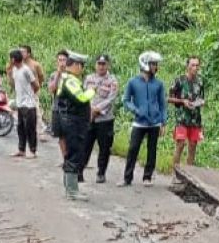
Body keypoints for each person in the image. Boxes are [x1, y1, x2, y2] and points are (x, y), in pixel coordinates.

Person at [54, 51, 96, 200]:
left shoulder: (68, 79)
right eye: (81, 65)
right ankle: (72, 191)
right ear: (76, 65)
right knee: (74, 155)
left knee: (72, 154)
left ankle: (70, 188)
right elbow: (82, 98)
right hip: (72, 123)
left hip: (70, 122)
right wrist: (92, 90)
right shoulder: (70, 80)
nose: (82, 68)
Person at [122, 51, 167, 187]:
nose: (155, 67)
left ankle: (147, 177)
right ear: (146, 64)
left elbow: (162, 104)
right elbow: (126, 100)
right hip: (139, 122)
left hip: (154, 122)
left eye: (156, 64)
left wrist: (163, 121)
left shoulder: (158, 84)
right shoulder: (133, 82)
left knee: (152, 150)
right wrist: (136, 110)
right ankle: (127, 178)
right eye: (153, 64)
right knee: (133, 149)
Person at [80, 54, 119, 183]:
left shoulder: (112, 80)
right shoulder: (89, 78)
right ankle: (79, 171)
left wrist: (97, 109)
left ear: (108, 65)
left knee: (104, 148)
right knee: (85, 145)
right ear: (95, 65)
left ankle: (101, 173)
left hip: (105, 119)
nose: (101, 66)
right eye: (99, 64)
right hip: (89, 118)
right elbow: (84, 94)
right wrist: (90, 109)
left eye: (104, 64)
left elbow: (111, 98)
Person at [169, 56, 206, 167]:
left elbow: (202, 98)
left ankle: (189, 176)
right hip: (182, 118)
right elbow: (168, 98)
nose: (195, 68)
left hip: (195, 119)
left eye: (197, 65)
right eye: (193, 65)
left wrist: (201, 102)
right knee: (180, 145)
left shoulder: (200, 82)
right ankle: (175, 174)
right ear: (187, 66)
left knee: (193, 146)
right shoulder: (179, 80)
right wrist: (182, 101)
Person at [8, 49, 40, 158]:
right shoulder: (15, 70)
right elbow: (13, 84)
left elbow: (36, 85)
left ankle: (32, 150)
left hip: (29, 104)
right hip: (20, 103)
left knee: (30, 128)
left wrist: (31, 95)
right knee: (20, 128)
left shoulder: (26, 70)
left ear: (13, 59)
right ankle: (21, 149)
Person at [21, 44, 48, 140]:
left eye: (23, 51)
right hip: (22, 91)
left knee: (36, 111)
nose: (21, 53)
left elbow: (41, 77)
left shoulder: (35, 64)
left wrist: (37, 86)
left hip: (33, 91)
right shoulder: (20, 64)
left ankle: (41, 132)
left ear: (28, 53)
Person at [47, 50, 69, 159]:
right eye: (60, 60)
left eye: (64, 60)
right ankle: (65, 158)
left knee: (70, 135)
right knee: (60, 136)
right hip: (57, 108)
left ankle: (72, 158)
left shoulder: (72, 75)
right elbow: (51, 89)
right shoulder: (53, 75)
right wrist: (58, 75)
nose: (62, 63)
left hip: (69, 110)